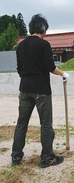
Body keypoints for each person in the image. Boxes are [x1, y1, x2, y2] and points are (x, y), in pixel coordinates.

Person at [11, 14, 69, 168]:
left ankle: (16, 157)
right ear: (43, 29)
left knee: (21, 123)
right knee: (45, 124)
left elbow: (19, 69)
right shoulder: (44, 45)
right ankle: (47, 158)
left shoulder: (20, 46)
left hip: (24, 89)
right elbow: (51, 67)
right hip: (41, 90)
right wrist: (63, 73)